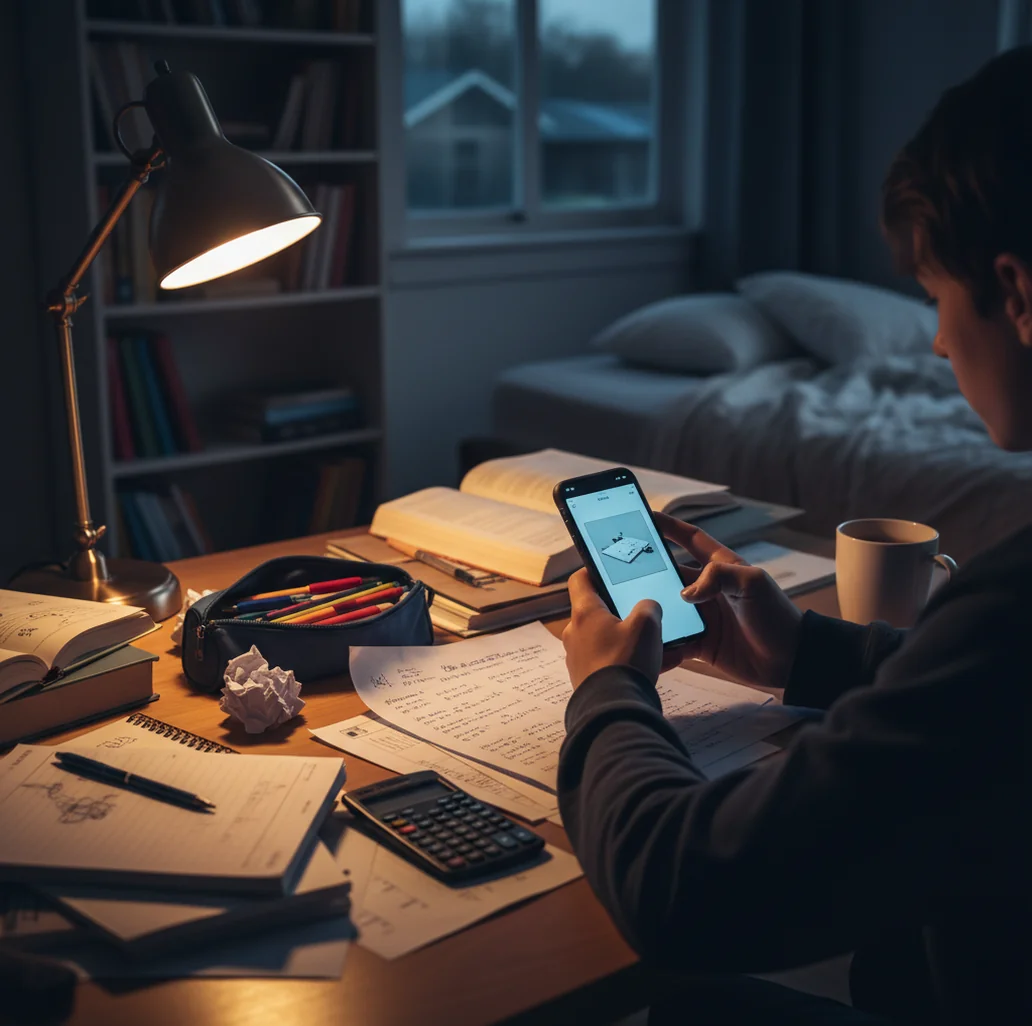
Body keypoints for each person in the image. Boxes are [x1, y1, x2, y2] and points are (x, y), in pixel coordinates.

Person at [557, 46, 1031, 1026]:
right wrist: (810, 648)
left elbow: (685, 892)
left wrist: (608, 689)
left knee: (678, 1006)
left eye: (938, 300)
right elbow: (980, 716)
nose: (938, 342)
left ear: (1016, 295)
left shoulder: (1012, 609)